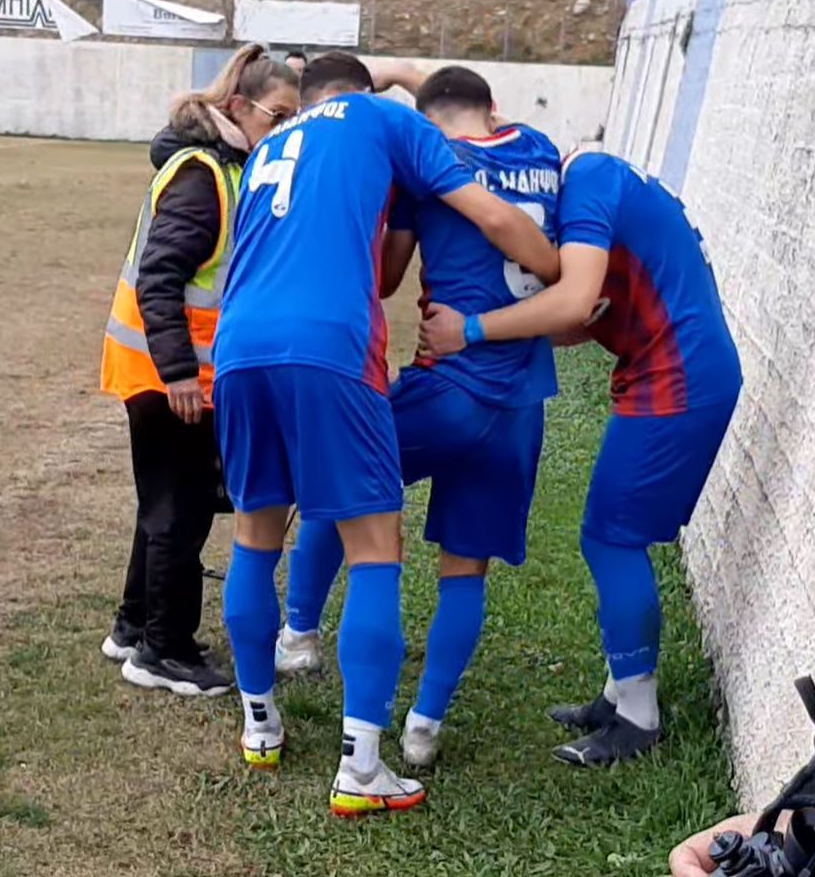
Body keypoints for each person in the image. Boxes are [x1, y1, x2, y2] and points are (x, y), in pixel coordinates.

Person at [215, 52, 559, 815]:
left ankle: (260, 724)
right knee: (376, 544)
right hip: (333, 346)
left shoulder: (270, 145)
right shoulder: (387, 120)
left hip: (239, 347)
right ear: (365, 94)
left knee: (254, 533)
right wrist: (558, 271)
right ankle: (362, 766)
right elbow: (493, 217)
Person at [420, 148, 743, 765]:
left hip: (677, 376)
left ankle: (639, 716)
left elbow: (570, 311)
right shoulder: (607, 178)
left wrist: (472, 329)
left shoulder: (588, 177)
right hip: (674, 367)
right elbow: (577, 318)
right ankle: (617, 694)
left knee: (611, 538)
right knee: (609, 534)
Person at [99, 44, 300, 698]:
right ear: (239, 107)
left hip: (172, 370)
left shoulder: (230, 166)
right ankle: (166, 651)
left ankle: (134, 627)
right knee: (178, 512)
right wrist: (182, 373)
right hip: (169, 376)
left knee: (162, 505)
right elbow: (161, 277)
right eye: (281, 116)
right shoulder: (202, 176)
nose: (288, 131)